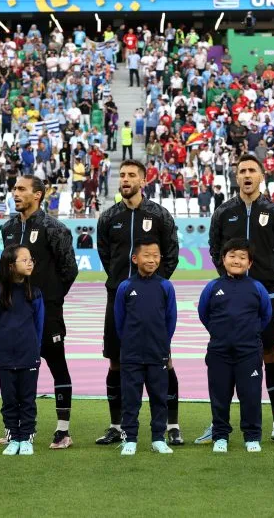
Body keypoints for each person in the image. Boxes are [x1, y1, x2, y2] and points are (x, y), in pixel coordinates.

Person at [199, 154, 274, 445]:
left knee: (271, 355)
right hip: (230, 296)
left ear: (261, 175)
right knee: (225, 359)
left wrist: (267, 279)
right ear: (236, 177)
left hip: (265, 294)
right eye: (242, 171)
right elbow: (215, 248)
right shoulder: (224, 211)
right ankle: (218, 425)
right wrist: (230, 281)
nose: (247, 175)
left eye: (252, 170)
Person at [96, 160, 181, 446]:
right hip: (118, 297)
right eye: (122, 175)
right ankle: (116, 425)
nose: (126, 179)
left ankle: (172, 425)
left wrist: (154, 286)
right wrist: (123, 284)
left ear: (143, 180)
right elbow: (105, 254)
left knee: (164, 361)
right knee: (116, 362)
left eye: (132, 175)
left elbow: (171, 253)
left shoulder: (159, 214)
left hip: (152, 298)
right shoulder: (109, 217)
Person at [0, 176, 78, 450]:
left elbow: (69, 270)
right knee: (14, 370)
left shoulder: (54, 228)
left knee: (57, 367)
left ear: (38, 195)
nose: (15, 193)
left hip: (47, 313)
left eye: (21, 189)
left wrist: (49, 301)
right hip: (13, 316)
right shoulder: (8, 228)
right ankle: (14, 429)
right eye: (14, 189)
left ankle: (63, 431)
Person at [197, 238, 272, 454]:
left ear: (250, 263)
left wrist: (249, 334)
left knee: (250, 396)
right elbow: (204, 314)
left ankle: (252, 436)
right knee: (220, 396)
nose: (236, 261)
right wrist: (220, 334)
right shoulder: (213, 287)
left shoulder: (257, 288)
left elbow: (265, 315)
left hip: (249, 353)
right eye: (232, 256)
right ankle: (220, 435)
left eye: (242, 257)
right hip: (219, 352)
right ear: (223, 260)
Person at [114, 239, 178, 456]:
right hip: (131, 354)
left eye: (156, 256)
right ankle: (130, 438)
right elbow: (119, 320)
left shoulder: (165, 286)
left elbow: (171, 321)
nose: (151, 260)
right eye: (146, 255)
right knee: (130, 399)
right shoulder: (125, 287)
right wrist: (131, 342)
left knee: (159, 398)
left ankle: (158, 438)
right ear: (135, 259)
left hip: (157, 353)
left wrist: (161, 343)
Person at [0, 245, 44, 457]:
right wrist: (2, 347)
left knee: (27, 399)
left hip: (29, 356)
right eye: (24, 260)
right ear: (11, 266)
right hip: (5, 358)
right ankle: (13, 438)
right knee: (9, 399)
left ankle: (26, 437)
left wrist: (32, 350)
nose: (30, 263)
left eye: (31, 259)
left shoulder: (34, 293)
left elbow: (39, 326)